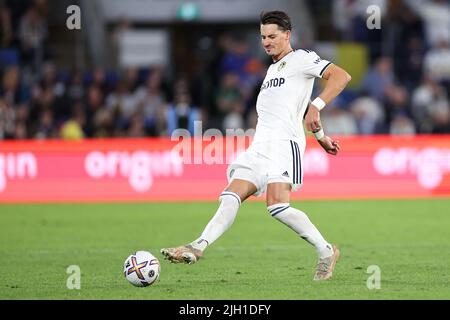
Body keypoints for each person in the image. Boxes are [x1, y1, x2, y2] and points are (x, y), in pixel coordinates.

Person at [161, 10, 352, 281]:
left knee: (277, 206)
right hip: (259, 146)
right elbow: (296, 110)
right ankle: (197, 246)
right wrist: (321, 137)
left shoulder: (302, 58)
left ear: (288, 35)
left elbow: (341, 77)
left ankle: (325, 251)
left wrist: (316, 107)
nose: (266, 41)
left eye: (272, 36)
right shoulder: (272, 69)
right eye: (263, 37)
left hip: (285, 146)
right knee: (230, 195)